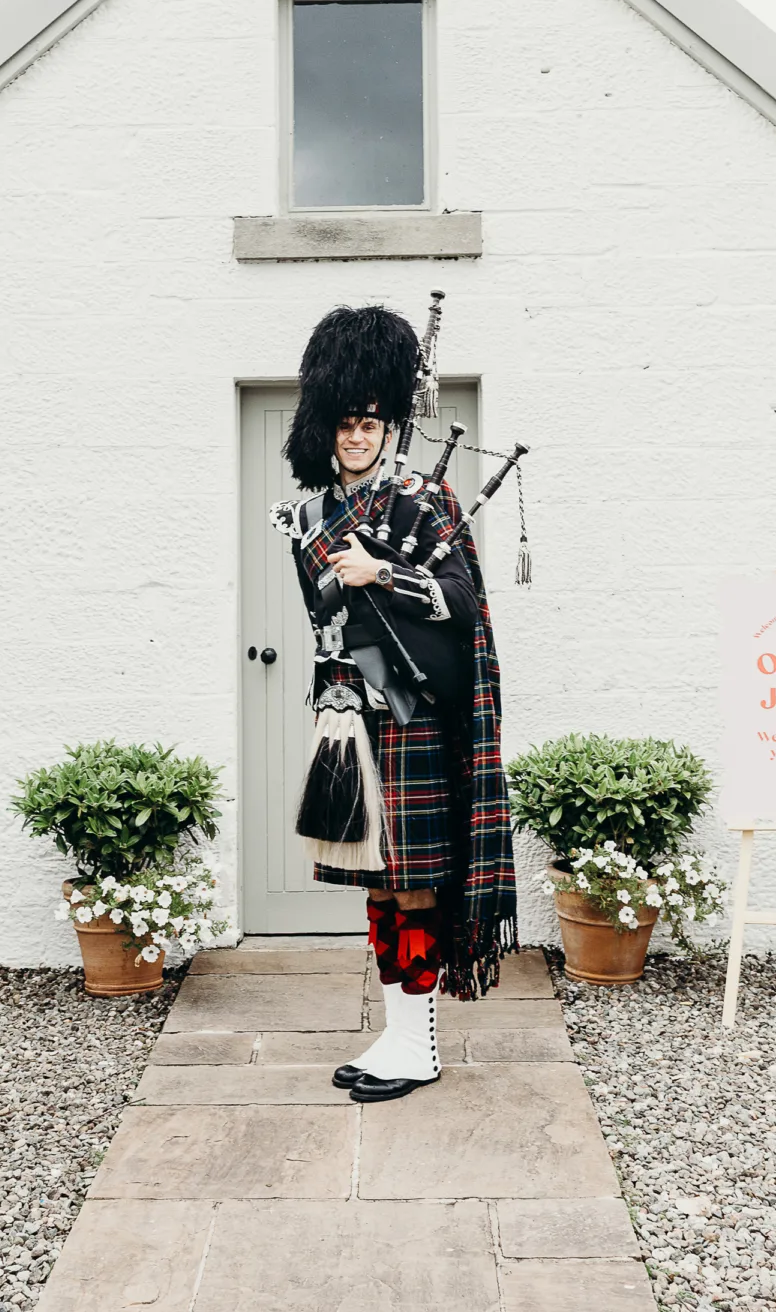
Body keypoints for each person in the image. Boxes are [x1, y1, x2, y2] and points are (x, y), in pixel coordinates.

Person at [270, 303, 517, 1102]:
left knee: (413, 879)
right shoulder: (311, 515)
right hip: (345, 716)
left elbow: (462, 603)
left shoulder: (423, 498)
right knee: (374, 878)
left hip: (411, 716)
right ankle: (397, 1032)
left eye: (370, 423)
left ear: (389, 426)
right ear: (324, 428)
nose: (357, 437)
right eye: (345, 423)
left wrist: (385, 573)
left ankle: (420, 1046)